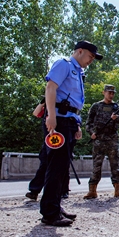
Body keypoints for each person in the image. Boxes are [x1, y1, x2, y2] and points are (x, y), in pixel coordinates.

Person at [40, 40, 103, 226]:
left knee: (62, 168)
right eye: (90, 56)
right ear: (80, 51)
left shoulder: (78, 72)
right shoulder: (64, 65)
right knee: (56, 166)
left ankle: (55, 206)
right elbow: (51, 88)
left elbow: (73, 102)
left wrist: (77, 125)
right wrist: (51, 116)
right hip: (58, 121)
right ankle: (49, 212)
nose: (91, 60)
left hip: (68, 121)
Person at [83, 84, 119, 199]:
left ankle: (118, 190)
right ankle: (92, 190)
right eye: (109, 92)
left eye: (113, 93)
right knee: (96, 165)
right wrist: (91, 133)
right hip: (99, 139)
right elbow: (89, 122)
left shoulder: (116, 107)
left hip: (112, 139)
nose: (111, 95)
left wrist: (116, 118)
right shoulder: (96, 106)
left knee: (115, 165)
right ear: (104, 92)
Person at [26, 97, 71, 201]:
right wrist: (43, 101)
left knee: (62, 164)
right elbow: (36, 113)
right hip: (49, 140)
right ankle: (34, 191)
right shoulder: (47, 108)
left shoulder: (60, 104)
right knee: (44, 164)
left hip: (61, 135)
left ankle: (63, 190)